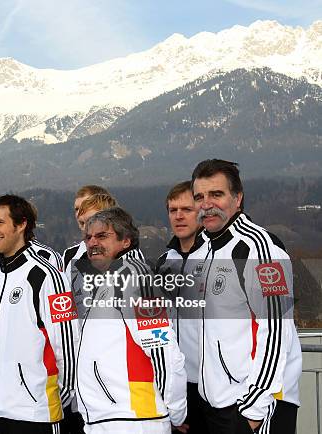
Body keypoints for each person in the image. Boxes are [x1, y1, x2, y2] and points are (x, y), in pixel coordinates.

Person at [192, 159, 301, 434]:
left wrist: (253, 410)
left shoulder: (259, 249)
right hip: (217, 405)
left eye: (216, 194)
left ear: (237, 198)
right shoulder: (205, 250)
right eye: (199, 197)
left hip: (256, 406)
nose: (206, 204)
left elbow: (277, 331)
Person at [72, 207, 187, 434]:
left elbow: (163, 352)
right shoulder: (100, 279)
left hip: (135, 419)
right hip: (102, 418)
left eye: (102, 236)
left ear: (125, 241)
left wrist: (176, 412)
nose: (92, 242)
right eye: (88, 237)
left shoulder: (135, 277)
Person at [0, 195, 78, 434]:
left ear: (21, 225)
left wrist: (51, 400)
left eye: (0, 223)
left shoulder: (46, 276)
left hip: (33, 414)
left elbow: (67, 346)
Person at [154, 181, 208, 434]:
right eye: (172, 210)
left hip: (215, 385)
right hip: (177, 384)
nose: (179, 216)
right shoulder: (165, 261)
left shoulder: (217, 255)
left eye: (186, 209)